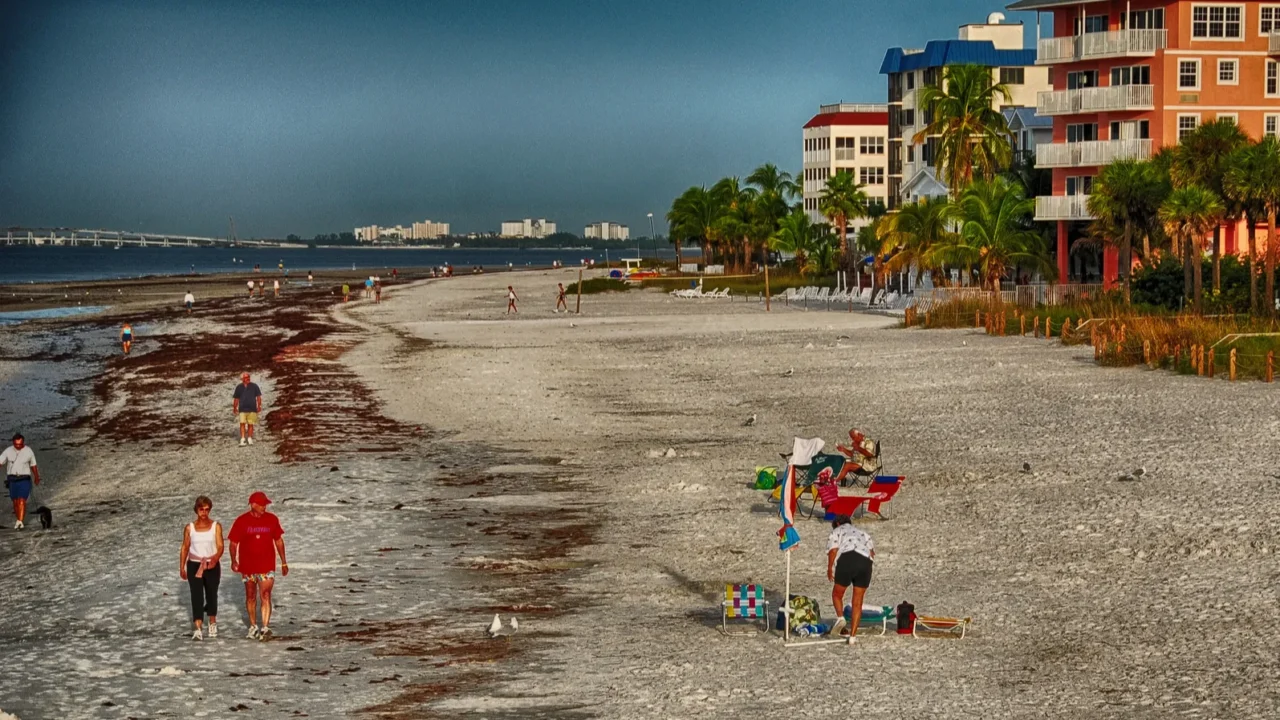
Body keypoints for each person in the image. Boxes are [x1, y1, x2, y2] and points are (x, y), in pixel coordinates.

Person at [229, 491, 287, 641]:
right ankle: (253, 626)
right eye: (261, 504)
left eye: (265, 504)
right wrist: (234, 560)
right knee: (250, 596)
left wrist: (284, 562)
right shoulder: (241, 521)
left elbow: (278, 540)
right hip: (248, 566)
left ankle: (265, 627)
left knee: (265, 594)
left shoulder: (272, 519)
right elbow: (233, 543)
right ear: (253, 505)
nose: (264, 507)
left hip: (266, 565)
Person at [179, 496, 224, 640]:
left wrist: (215, 559)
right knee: (196, 596)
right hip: (194, 564)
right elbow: (185, 547)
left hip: (211, 564)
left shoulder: (216, 526)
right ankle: (198, 627)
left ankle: (212, 622)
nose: (204, 512)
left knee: (212, 594)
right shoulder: (190, 528)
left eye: (207, 509)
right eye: (201, 509)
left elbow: (220, 546)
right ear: (196, 510)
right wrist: (182, 567)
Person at [826, 515, 874, 638]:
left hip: (847, 558)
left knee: (837, 594)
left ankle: (841, 618)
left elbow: (833, 550)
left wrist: (830, 568)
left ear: (837, 524)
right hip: (865, 561)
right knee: (857, 602)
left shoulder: (837, 531)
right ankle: (852, 636)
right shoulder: (863, 533)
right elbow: (872, 552)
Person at [1, 434, 40, 530]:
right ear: (13, 443)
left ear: (23, 442)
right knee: (15, 502)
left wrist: (36, 477)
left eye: (20, 444)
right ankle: (18, 519)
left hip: (24, 479)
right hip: (12, 480)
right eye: (16, 444)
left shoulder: (28, 451)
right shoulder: (8, 451)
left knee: (22, 500)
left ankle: (20, 521)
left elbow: (33, 465)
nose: (18, 446)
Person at [232, 372, 263, 446]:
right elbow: (236, 398)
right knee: (242, 423)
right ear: (242, 379)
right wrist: (235, 408)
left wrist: (259, 406)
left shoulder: (254, 386)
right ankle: (242, 439)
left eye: (248, 377)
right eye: (246, 377)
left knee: (250, 424)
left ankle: (249, 438)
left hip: (252, 408)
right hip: (242, 409)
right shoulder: (239, 387)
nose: (248, 378)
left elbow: (258, 397)